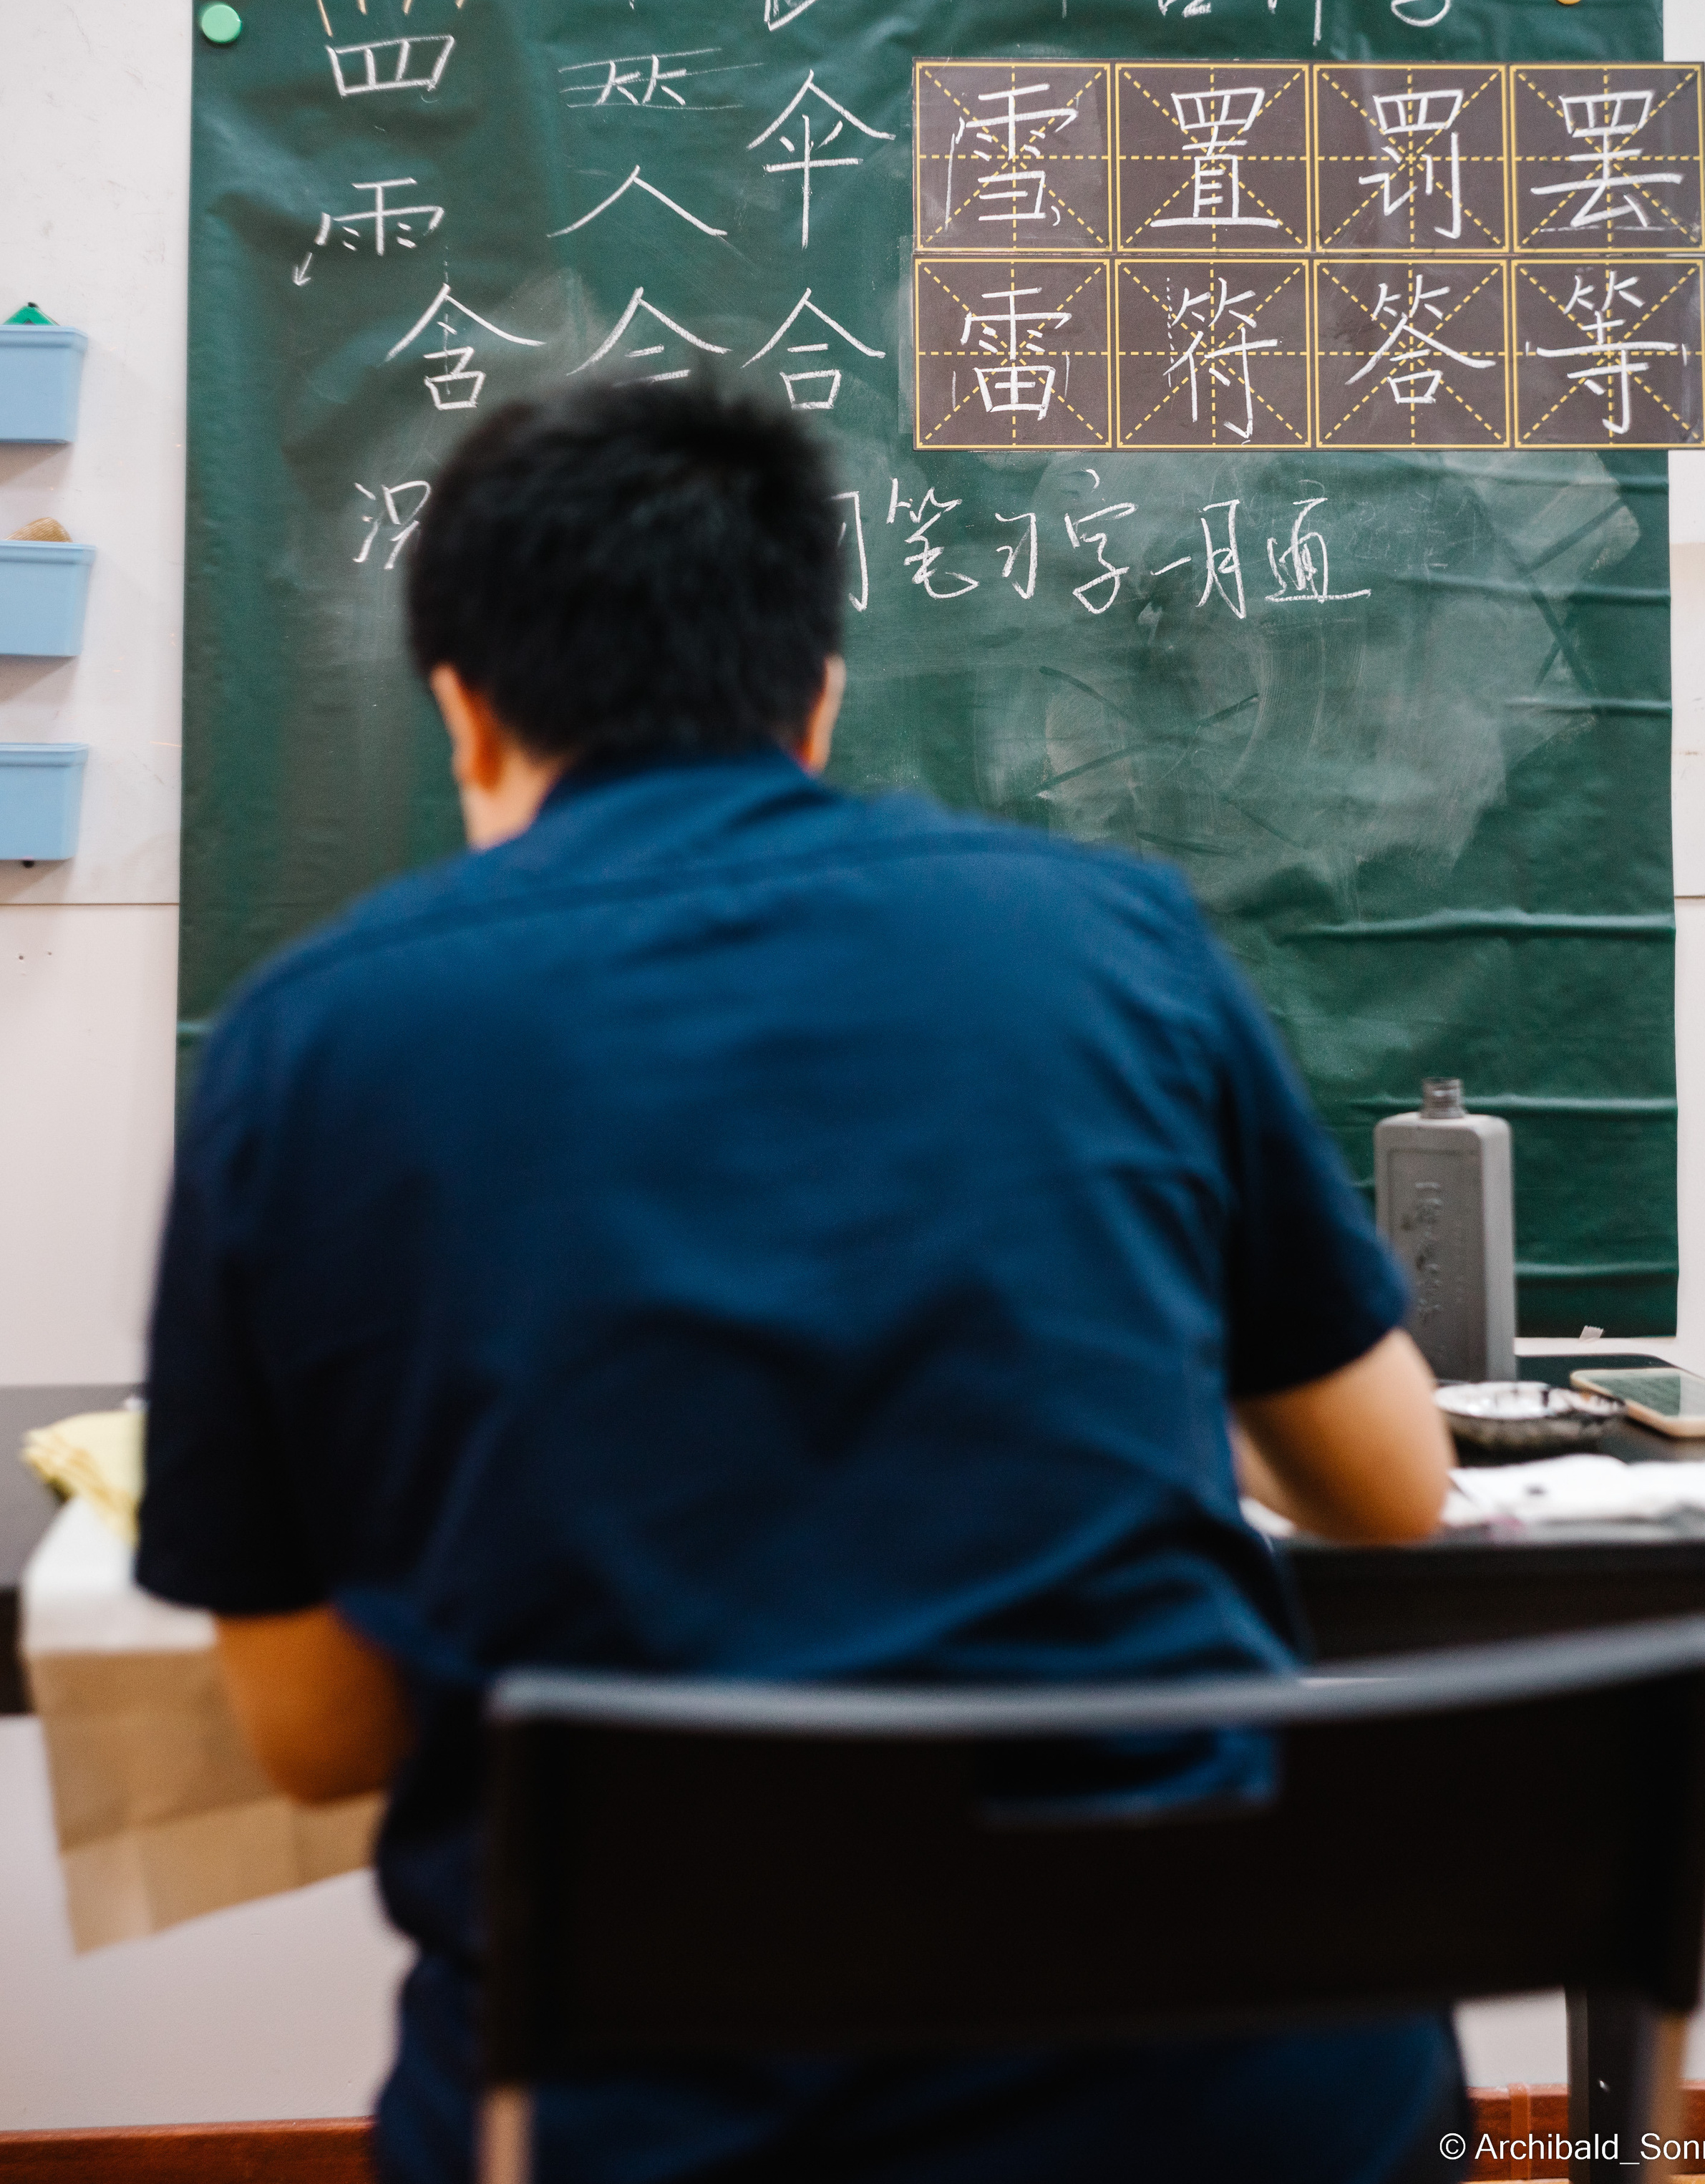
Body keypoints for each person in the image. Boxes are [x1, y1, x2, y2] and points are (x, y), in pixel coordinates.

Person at [138, 382, 1462, 2184]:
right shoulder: (1108, 936)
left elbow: (310, 1736)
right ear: (818, 693)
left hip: (635, 2117)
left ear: (460, 710)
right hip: (1234, 2101)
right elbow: (1389, 1487)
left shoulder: (310, 1045)